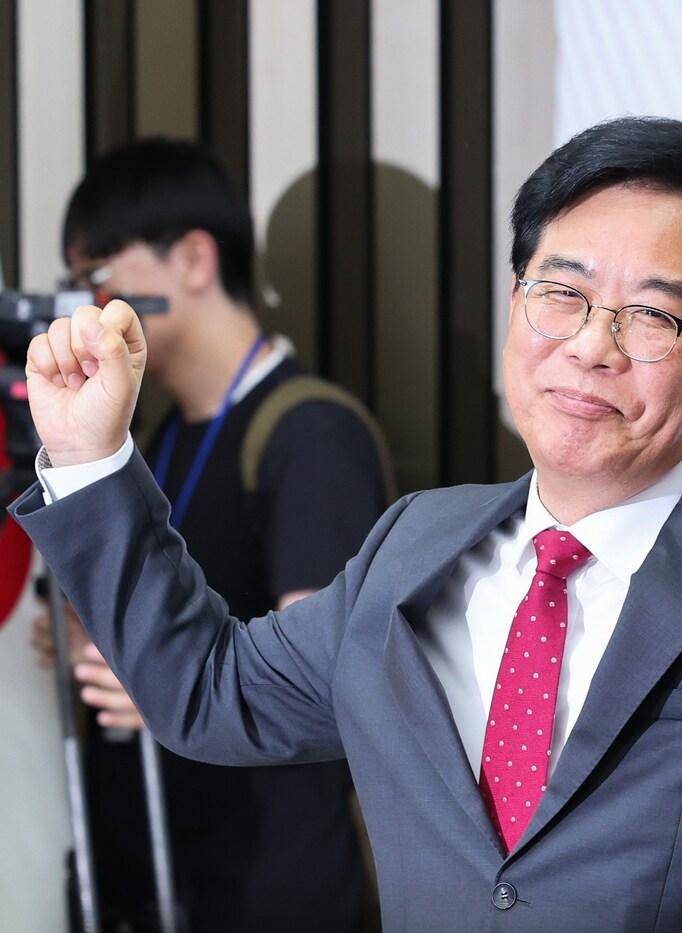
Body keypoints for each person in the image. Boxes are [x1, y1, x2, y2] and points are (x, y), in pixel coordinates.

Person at [15, 118, 682, 931]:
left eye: (655, 314)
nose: (590, 345)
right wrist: (91, 457)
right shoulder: (410, 546)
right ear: (514, 304)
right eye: (561, 293)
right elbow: (209, 695)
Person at [28, 139, 390, 932]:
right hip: (154, 876)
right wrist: (103, 639)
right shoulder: (153, 435)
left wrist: (163, 678)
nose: (85, 304)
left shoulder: (311, 434)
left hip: (263, 888)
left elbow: (320, 684)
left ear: (194, 260)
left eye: (98, 275)